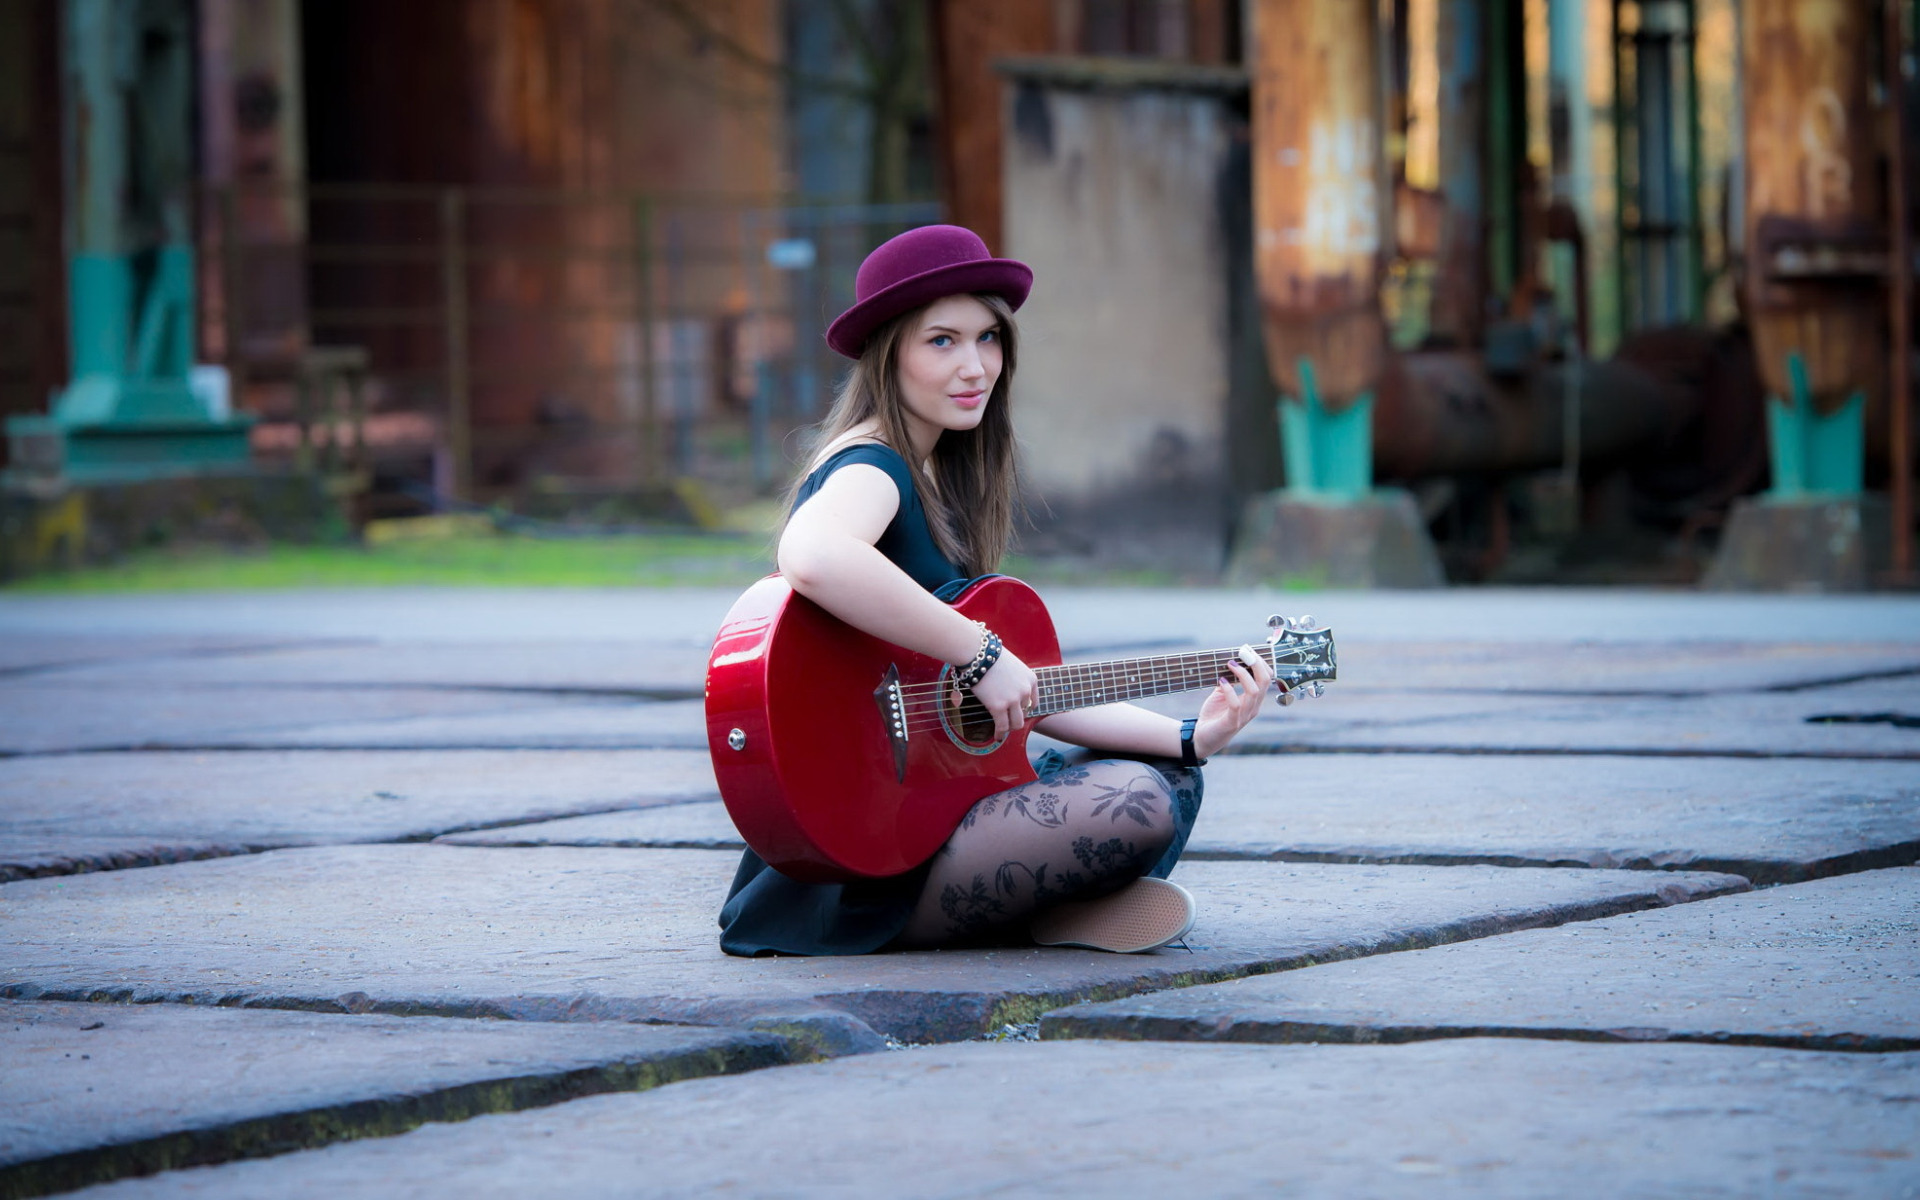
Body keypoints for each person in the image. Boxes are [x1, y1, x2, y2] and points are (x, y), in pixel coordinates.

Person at [718, 224, 1274, 957]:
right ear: (890, 354)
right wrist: (979, 650)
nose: (974, 365)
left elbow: (1030, 696)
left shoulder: (939, 480)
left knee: (1173, 775)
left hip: (941, 807)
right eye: (941, 341)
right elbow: (812, 553)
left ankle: (1052, 911)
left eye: (988, 338)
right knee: (1134, 805)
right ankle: (1028, 914)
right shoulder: (871, 466)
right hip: (857, 861)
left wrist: (1194, 734)